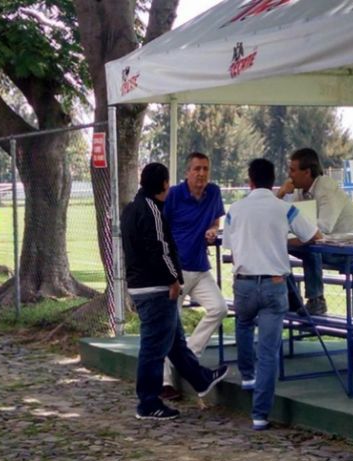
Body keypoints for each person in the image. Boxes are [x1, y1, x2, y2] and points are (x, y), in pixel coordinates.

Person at [121, 162, 229, 421]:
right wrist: (174, 279)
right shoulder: (153, 211)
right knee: (154, 347)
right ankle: (148, 402)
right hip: (155, 287)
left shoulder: (131, 210)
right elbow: (160, 249)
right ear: (164, 185)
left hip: (140, 283)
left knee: (175, 343)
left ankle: (200, 378)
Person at [223, 158, 320, 431]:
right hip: (274, 283)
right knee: (268, 351)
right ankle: (260, 414)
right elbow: (313, 235)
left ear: (250, 180)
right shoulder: (284, 208)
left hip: (243, 282)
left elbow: (229, 244)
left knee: (242, 325)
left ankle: (246, 376)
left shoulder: (236, 209)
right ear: (273, 180)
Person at [160, 152, 229, 401]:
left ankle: (190, 355)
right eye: (197, 169)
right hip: (176, 271)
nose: (201, 174)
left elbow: (215, 221)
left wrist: (212, 230)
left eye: (205, 169)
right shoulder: (175, 195)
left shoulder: (214, 192)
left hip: (200, 268)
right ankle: (166, 383)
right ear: (187, 172)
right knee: (171, 326)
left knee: (219, 308)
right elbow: (161, 228)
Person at [276, 148, 353, 315]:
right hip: (323, 245)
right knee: (277, 246)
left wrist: (293, 235)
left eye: (293, 170)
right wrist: (280, 194)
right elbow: (288, 221)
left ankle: (317, 300)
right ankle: (292, 298)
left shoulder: (326, 187)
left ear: (307, 172)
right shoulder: (301, 191)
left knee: (312, 245)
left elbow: (323, 229)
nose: (289, 175)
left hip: (346, 249)